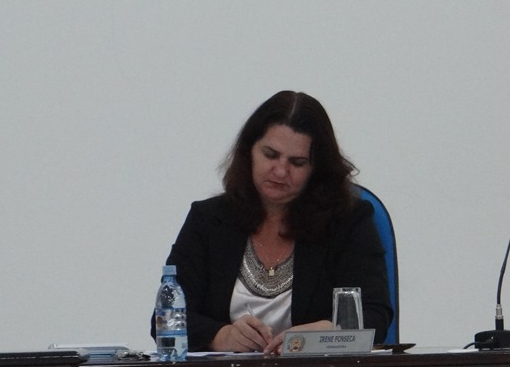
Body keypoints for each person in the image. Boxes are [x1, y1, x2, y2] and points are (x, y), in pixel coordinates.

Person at [151, 91, 392, 353]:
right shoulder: (208, 220)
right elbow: (164, 319)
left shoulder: (348, 222)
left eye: (297, 163)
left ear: (317, 169)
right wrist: (221, 336)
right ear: (249, 152)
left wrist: (326, 332)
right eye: (270, 155)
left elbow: (375, 315)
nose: (280, 171)